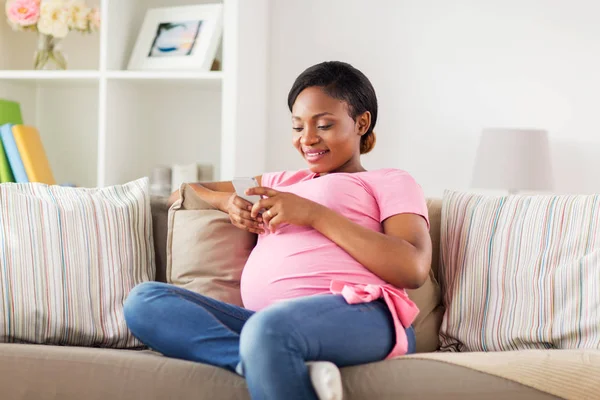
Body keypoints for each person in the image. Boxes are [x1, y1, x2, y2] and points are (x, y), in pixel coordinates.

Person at [123, 61, 432, 400]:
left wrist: (314, 215)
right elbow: (184, 191)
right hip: (267, 325)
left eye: (324, 125)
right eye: (298, 127)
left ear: (361, 122)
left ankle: (269, 353)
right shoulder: (278, 182)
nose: (308, 139)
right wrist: (225, 202)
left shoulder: (388, 181)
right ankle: (267, 361)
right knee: (144, 300)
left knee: (268, 329)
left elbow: (412, 268)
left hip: (364, 315)